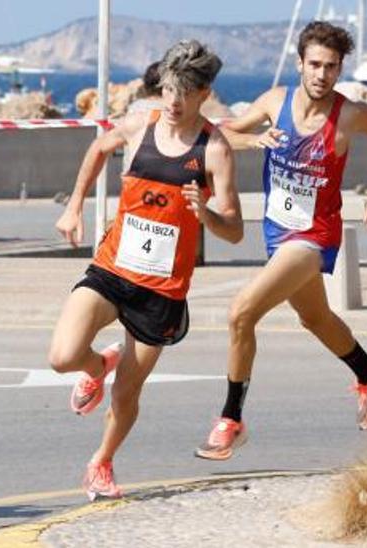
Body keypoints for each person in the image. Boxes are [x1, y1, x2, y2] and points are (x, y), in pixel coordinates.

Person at [195, 21, 367, 461]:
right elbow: (221, 133)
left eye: (331, 67)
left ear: (339, 69)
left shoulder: (349, 115)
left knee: (241, 314)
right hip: (278, 234)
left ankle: (231, 419)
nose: (321, 75)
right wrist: (254, 138)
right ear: (300, 63)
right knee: (314, 318)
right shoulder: (276, 102)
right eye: (314, 64)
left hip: (314, 237)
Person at [50, 40, 243, 500]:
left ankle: (101, 462)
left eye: (186, 92)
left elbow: (234, 230)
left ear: (205, 94)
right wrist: (74, 206)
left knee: (127, 394)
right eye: (169, 89)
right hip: (113, 269)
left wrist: (207, 215)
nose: (174, 101)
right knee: (61, 356)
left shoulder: (214, 149)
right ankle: (98, 364)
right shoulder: (140, 125)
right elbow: (99, 148)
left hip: (162, 292)